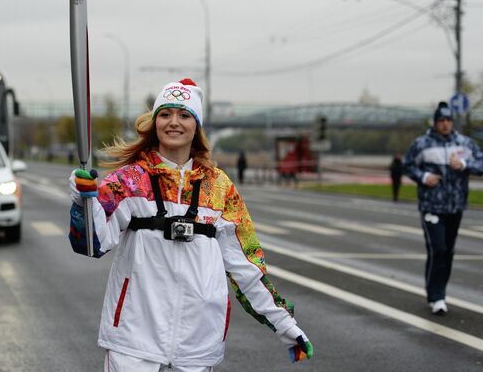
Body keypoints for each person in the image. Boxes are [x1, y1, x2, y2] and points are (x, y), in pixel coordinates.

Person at [69, 78, 313, 371]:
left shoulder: (219, 187)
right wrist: (84, 201)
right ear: (155, 122)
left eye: (184, 115)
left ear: (195, 126)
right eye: (165, 114)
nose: (174, 122)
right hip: (135, 337)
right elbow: (90, 244)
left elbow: (246, 268)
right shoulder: (130, 180)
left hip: (198, 342)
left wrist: (285, 325)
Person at [403, 101, 483, 315]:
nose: (445, 124)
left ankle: (438, 291)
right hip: (432, 205)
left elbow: (482, 165)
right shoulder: (422, 144)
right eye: (441, 120)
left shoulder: (464, 144)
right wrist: (424, 176)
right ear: (435, 122)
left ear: (452, 122)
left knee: (447, 252)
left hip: (455, 206)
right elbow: (407, 164)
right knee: (437, 249)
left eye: (449, 120)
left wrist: (464, 165)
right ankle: (436, 296)